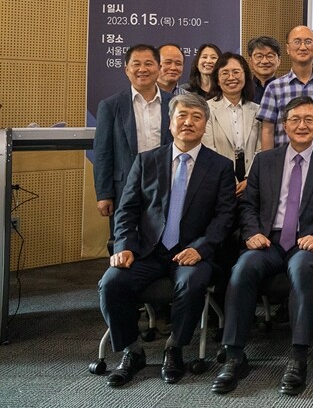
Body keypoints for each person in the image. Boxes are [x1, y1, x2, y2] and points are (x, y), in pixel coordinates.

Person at [212, 96, 313, 396]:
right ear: (284, 125)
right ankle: (234, 355)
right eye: (295, 119)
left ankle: (298, 357)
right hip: (268, 241)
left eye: (309, 119)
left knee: (301, 269)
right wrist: (251, 233)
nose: (302, 125)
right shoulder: (264, 161)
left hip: (308, 244)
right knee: (242, 269)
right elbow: (248, 205)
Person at [98, 92, 236, 388]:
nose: (188, 122)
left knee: (192, 282)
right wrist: (124, 246)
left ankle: (174, 348)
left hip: (192, 252)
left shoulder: (221, 166)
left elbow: (225, 217)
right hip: (147, 251)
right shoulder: (146, 161)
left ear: (205, 125)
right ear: (170, 123)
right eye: (182, 116)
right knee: (111, 282)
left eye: (196, 117)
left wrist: (201, 249)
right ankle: (132, 351)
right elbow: (127, 210)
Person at [94, 44, 174, 246]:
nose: (142, 69)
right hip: (125, 186)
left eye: (148, 64)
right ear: (126, 69)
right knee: (124, 239)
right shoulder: (110, 105)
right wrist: (104, 194)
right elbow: (103, 153)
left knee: (165, 238)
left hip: (167, 184)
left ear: (159, 67)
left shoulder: (175, 103)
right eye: (136, 64)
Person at [258, 26, 313, 150]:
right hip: (283, 160)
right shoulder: (274, 88)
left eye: (308, 42)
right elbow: (268, 130)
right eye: (297, 42)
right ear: (288, 49)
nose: (303, 47)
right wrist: (268, 161)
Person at [203, 52, 261, 194]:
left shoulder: (257, 110)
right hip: (218, 177)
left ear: (245, 76)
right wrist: (230, 180)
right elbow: (209, 149)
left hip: (251, 179)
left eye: (236, 72)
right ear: (217, 79)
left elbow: (260, 149)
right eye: (225, 73)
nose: (231, 77)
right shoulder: (207, 109)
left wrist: (249, 179)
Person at [246, 36, 281, 104]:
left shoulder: (286, 88)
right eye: (259, 56)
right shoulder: (243, 89)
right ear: (250, 61)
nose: (264, 61)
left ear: (279, 61)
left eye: (270, 56)